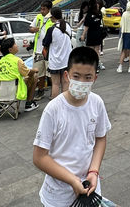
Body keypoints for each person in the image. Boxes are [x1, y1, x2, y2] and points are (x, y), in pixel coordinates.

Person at [33, 46, 111, 207]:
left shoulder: (97, 103)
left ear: (95, 78)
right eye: (77, 76)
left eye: (88, 77)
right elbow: (39, 157)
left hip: (90, 187)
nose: (82, 82)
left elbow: (100, 138)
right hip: (58, 195)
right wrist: (72, 180)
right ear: (67, 75)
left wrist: (93, 171)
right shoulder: (53, 109)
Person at [0, 37, 40, 112]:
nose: (17, 46)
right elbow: (28, 73)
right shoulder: (17, 60)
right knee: (34, 76)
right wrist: (35, 70)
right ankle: (29, 104)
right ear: (10, 50)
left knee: (8, 80)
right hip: (15, 90)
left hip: (1, 92)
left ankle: (3, 104)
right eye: (15, 44)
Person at [43, 8, 73, 98]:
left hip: (55, 61)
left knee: (55, 84)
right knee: (66, 82)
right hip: (67, 60)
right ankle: (66, 102)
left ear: (53, 17)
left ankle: (55, 104)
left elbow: (45, 44)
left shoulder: (51, 30)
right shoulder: (67, 25)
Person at [30, 0, 54, 98]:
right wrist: (33, 29)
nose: (41, 11)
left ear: (49, 9)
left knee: (51, 73)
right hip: (38, 51)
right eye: (41, 9)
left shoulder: (53, 19)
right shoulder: (38, 17)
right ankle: (41, 90)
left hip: (49, 51)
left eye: (44, 9)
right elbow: (30, 28)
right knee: (39, 73)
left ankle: (54, 92)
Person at [82, 0, 106, 70]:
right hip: (98, 34)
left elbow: (86, 26)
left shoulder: (88, 15)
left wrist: (83, 35)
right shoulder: (99, 13)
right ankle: (97, 65)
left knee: (91, 51)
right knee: (97, 50)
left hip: (91, 34)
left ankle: (92, 65)